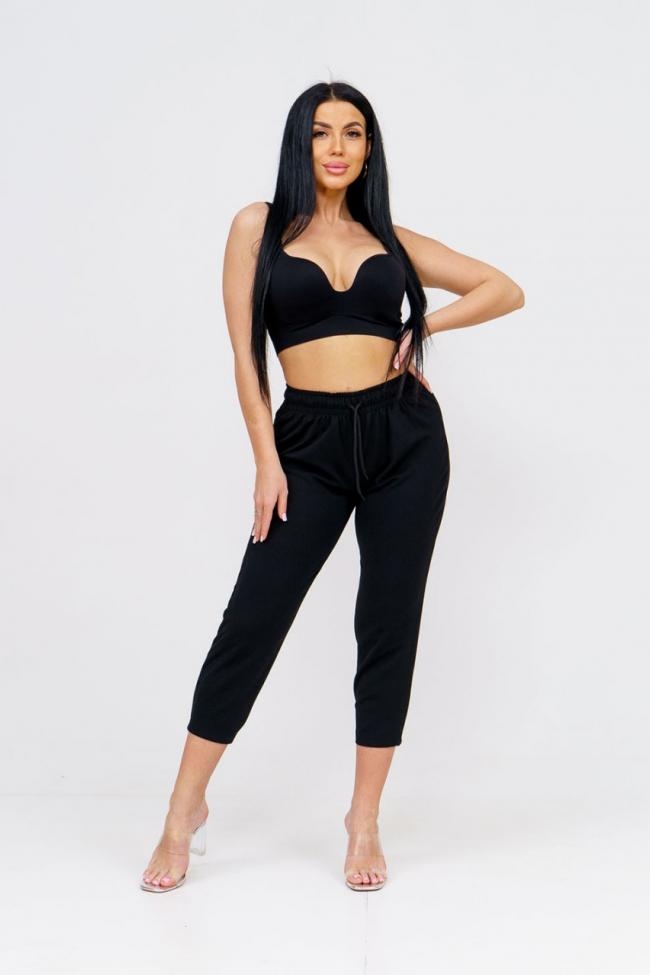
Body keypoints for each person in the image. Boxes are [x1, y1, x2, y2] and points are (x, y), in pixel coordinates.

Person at [140, 81, 524, 894]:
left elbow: (503, 287)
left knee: (388, 621)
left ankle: (364, 818)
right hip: (306, 445)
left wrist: (422, 327)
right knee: (253, 619)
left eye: (354, 133)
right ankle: (183, 809)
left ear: (369, 148)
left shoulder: (389, 237)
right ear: (300, 143)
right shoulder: (258, 227)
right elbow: (245, 355)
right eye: (322, 133)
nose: (338, 147)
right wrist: (265, 457)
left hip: (405, 439)